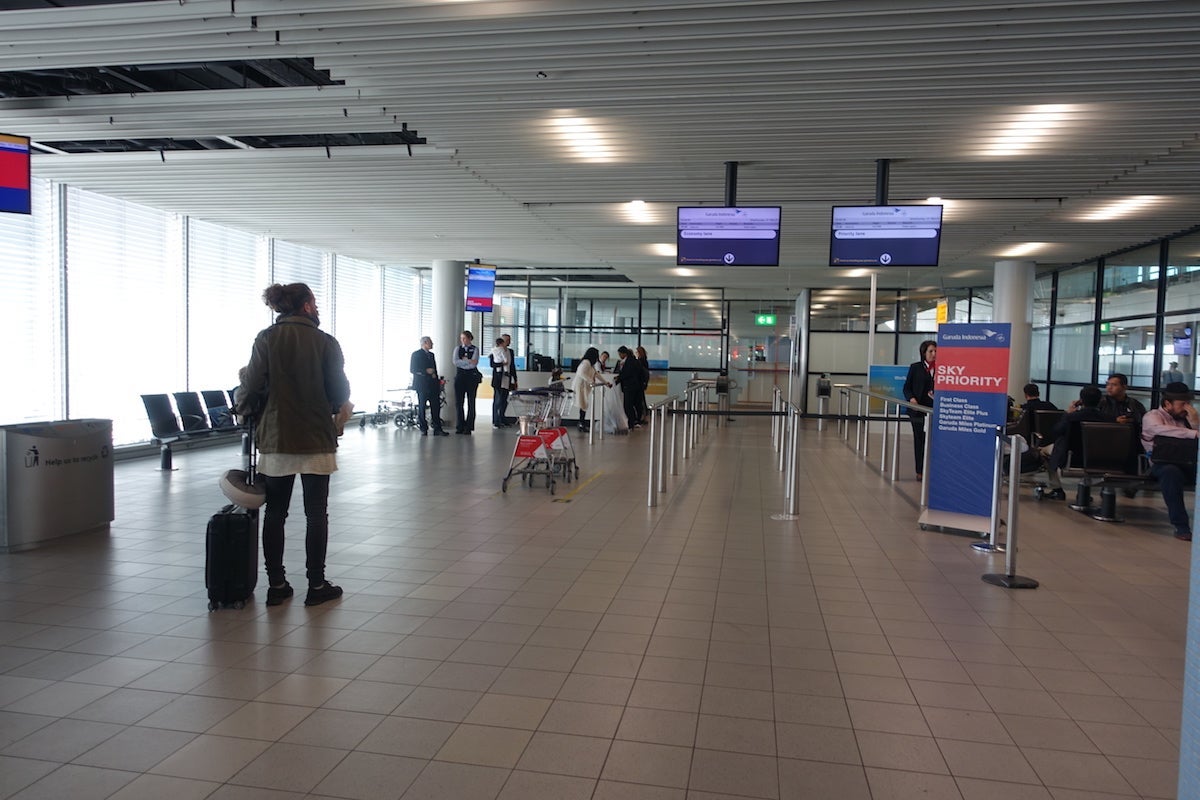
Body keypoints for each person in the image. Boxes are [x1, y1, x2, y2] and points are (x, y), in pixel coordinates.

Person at [235, 282, 349, 607]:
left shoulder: (266, 339)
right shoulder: (326, 342)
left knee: (275, 512)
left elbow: (251, 385)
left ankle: (277, 585)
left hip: (277, 437)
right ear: (307, 305)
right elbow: (340, 392)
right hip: (316, 438)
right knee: (316, 513)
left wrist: (243, 408)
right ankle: (316, 584)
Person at [1141, 381, 1197, 541]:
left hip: (1188, 463)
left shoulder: (1186, 419)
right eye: (1183, 404)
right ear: (1167, 403)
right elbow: (1160, 430)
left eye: (1189, 403)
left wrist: (1195, 423)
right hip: (1162, 464)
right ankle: (1181, 526)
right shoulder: (1152, 416)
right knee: (1171, 472)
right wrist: (1193, 433)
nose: (1187, 408)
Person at [1039, 385, 1106, 500]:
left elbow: (1056, 431)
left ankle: (1057, 489)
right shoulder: (1106, 418)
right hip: (1097, 458)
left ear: (1081, 400)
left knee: (1043, 452)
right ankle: (1084, 493)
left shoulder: (1072, 417)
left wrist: (1067, 413)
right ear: (1100, 401)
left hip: (1070, 457)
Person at [901, 340, 936, 477]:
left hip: (934, 410)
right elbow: (907, 387)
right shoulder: (915, 367)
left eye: (936, 351)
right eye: (931, 351)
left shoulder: (942, 368)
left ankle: (932, 469)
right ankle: (920, 470)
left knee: (933, 440)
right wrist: (911, 399)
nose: (934, 354)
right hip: (918, 410)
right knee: (920, 439)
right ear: (923, 353)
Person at [410, 336, 447, 436]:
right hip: (422, 385)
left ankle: (437, 428)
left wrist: (437, 380)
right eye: (430, 342)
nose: (432, 344)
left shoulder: (431, 355)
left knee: (436, 406)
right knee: (422, 406)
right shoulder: (416, 354)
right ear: (425, 343)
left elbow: (434, 369)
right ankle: (423, 428)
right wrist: (425, 371)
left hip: (433, 384)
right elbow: (413, 369)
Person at [453, 330, 482, 434]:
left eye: (464, 338)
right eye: (461, 338)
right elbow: (455, 361)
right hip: (460, 376)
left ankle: (469, 426)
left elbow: (474, 364)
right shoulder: (457, 349)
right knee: (459, 402)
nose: (462, 340)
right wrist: (468, 361)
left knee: (471, 402)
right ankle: (460, 425)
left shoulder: (475, 349)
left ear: (469, 338)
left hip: (471, 377)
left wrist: (465, 361)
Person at [573, 347, 608, 432]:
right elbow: (581, 373)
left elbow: (596, 374)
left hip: (583, 386)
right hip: (580, 386)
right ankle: (581, 423)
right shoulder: (586, 362)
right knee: (583, 405)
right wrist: (591, 380)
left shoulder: (590, 364)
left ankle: (581, 423)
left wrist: (606, 382)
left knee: (583, 405)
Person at [615, 346, 646, 428]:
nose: (619, 356)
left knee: (628, 405)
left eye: (620, 354)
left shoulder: (629, 362)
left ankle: (631, 422)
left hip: (629, 386)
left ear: (624, 354)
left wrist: (618, 379)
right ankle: (635, 421)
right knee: (634, 404)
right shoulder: (634, 361)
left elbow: (627, 374)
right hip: (636, 386)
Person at [490, 336, 513, 429]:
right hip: (498, 379)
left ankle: (502, 418)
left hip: (507, 378)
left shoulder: (510, 352)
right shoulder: (495, 351)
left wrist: (514, 379)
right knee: (497, 400)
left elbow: (512, 365)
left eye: (508, 340)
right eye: (506, 340)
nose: (507, 342)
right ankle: (495, 421)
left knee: (504, 400)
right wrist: (502, 364)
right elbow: (492, 364)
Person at [635, 345, 651, 422]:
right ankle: (644, 415)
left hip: (640, 382)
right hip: (642, 382)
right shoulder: (644, 361)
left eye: (636, 352)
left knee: (641, 400)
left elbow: (641, 372)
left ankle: (643, 415)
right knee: (642, 399)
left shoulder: (640, 361)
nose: (636, 353)